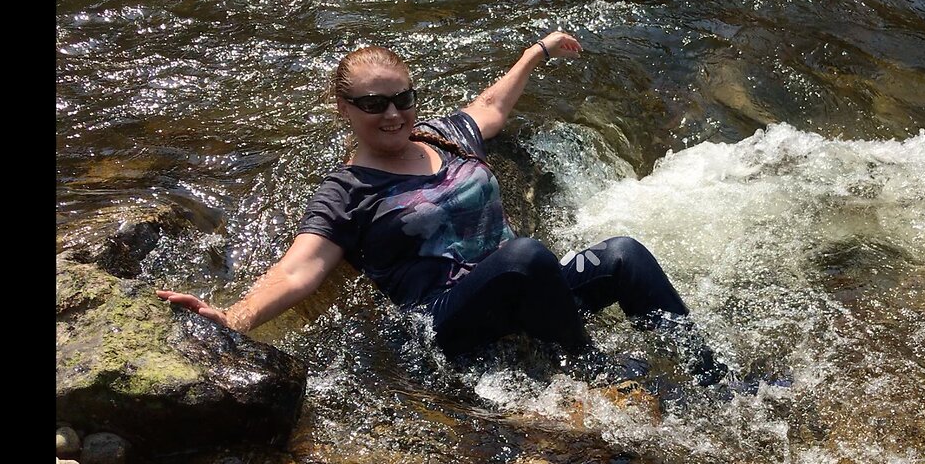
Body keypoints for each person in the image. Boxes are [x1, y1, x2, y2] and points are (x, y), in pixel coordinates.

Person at [157, 31, 728, 386]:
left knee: (624, 254)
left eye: (402, 98)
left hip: (526, 288)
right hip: (447, 321)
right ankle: (591, 371)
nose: (393, 114)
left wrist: (537, 52)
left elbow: (491, 106)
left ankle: (714, 379)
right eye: (374, 103)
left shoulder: (446, 136)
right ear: (344, 108)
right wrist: (233, 320)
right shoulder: (347, 191)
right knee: (528, 256)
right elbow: (297, 269)